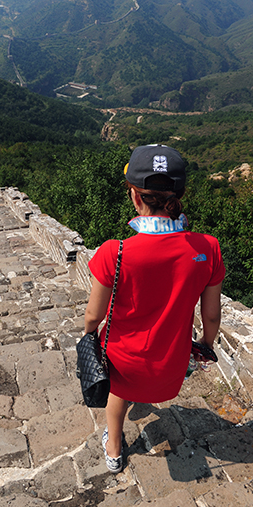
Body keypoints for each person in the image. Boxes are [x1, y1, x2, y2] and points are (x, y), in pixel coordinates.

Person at [83, 144, 225, 474]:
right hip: (171, 368)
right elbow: (212, 316)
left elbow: (93, 316)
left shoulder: (113, 253)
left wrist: (90, 338)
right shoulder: (208, 248)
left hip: (124, 362)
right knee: (132, 384)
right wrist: (205, 345)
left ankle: (115, 449)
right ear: (179, 195)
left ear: (135, 196)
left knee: (118, 392)